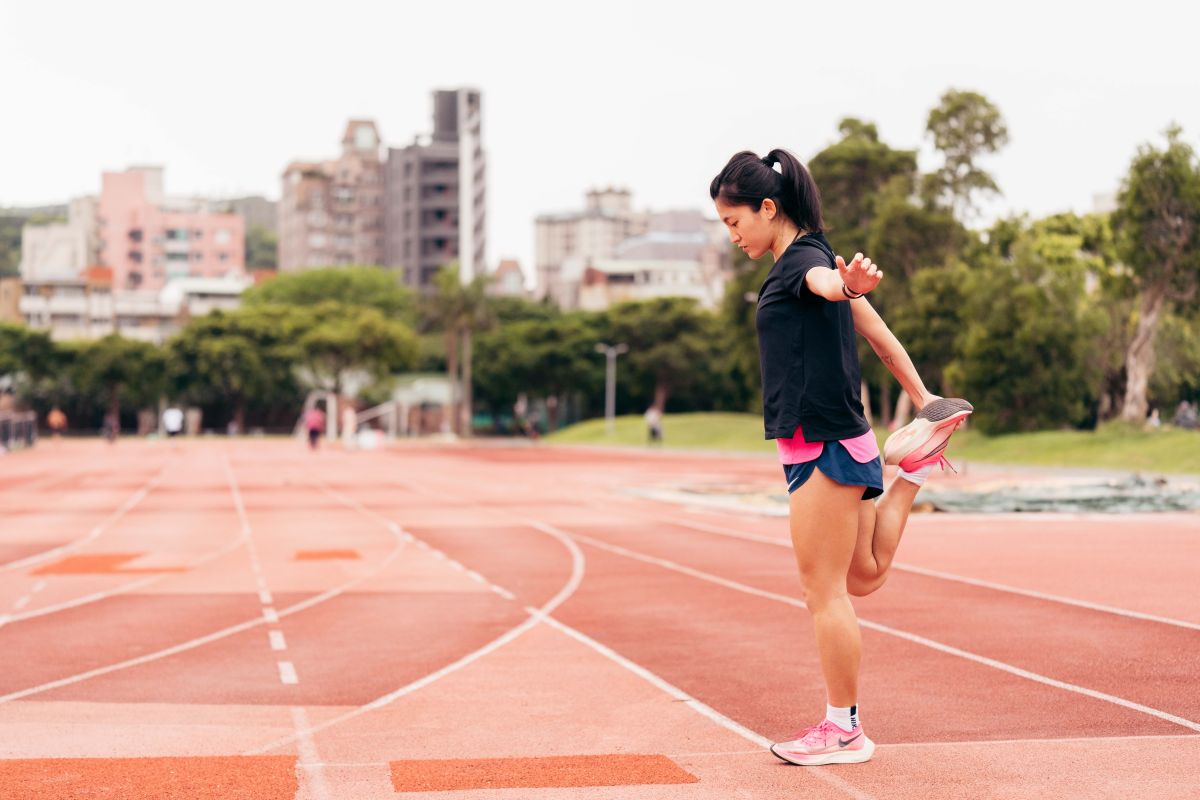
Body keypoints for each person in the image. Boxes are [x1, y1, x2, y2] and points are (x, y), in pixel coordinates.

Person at [710, 149, 973, 767]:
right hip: (844, 439)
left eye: (734, 221)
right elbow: (879, 337)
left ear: (768, 208)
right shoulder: (814, 257)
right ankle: (913, 468)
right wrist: (925, 399)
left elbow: (829, 286)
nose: (733, 235)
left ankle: (843, 729)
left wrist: (847, 283)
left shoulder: (803, 266)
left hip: (821, 447)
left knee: (823, 590)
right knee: (865, 574)